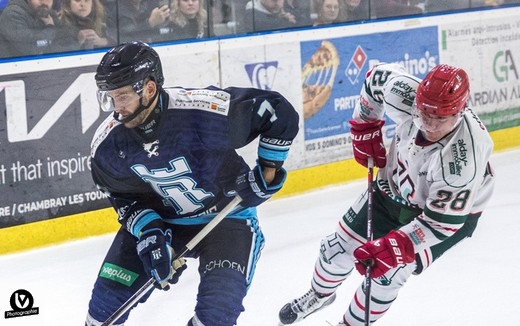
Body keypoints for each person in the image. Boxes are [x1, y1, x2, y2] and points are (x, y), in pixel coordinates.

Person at [85, 41, 299, 326]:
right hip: (164, 220)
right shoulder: (108, 146)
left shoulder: (202, 112)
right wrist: (149, 232)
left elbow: (276, 112)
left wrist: (267, 172)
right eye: (110, 98)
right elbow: (121, 196)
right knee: (104, 307)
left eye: (121, 97)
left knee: (216, 315)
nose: (116, 109)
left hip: (227, 218)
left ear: (149, 89)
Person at [278, 62, 495, 325]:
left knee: (387, 274)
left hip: (444, 216)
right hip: (393, 186)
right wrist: (364, 125)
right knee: (334, 249)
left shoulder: (462, 161)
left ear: (459, 112)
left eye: (439, 119)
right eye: (424, 112)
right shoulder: (406, 93)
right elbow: (375, 79)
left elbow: (441, 223)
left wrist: (398, 247)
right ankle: (319, 295)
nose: (428, 123)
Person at [0, 0, 67, 58]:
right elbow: (31, 48)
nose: (44, 2)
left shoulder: (48, 12)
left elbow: (65, 41)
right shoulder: (12, 14)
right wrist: (50, 28)